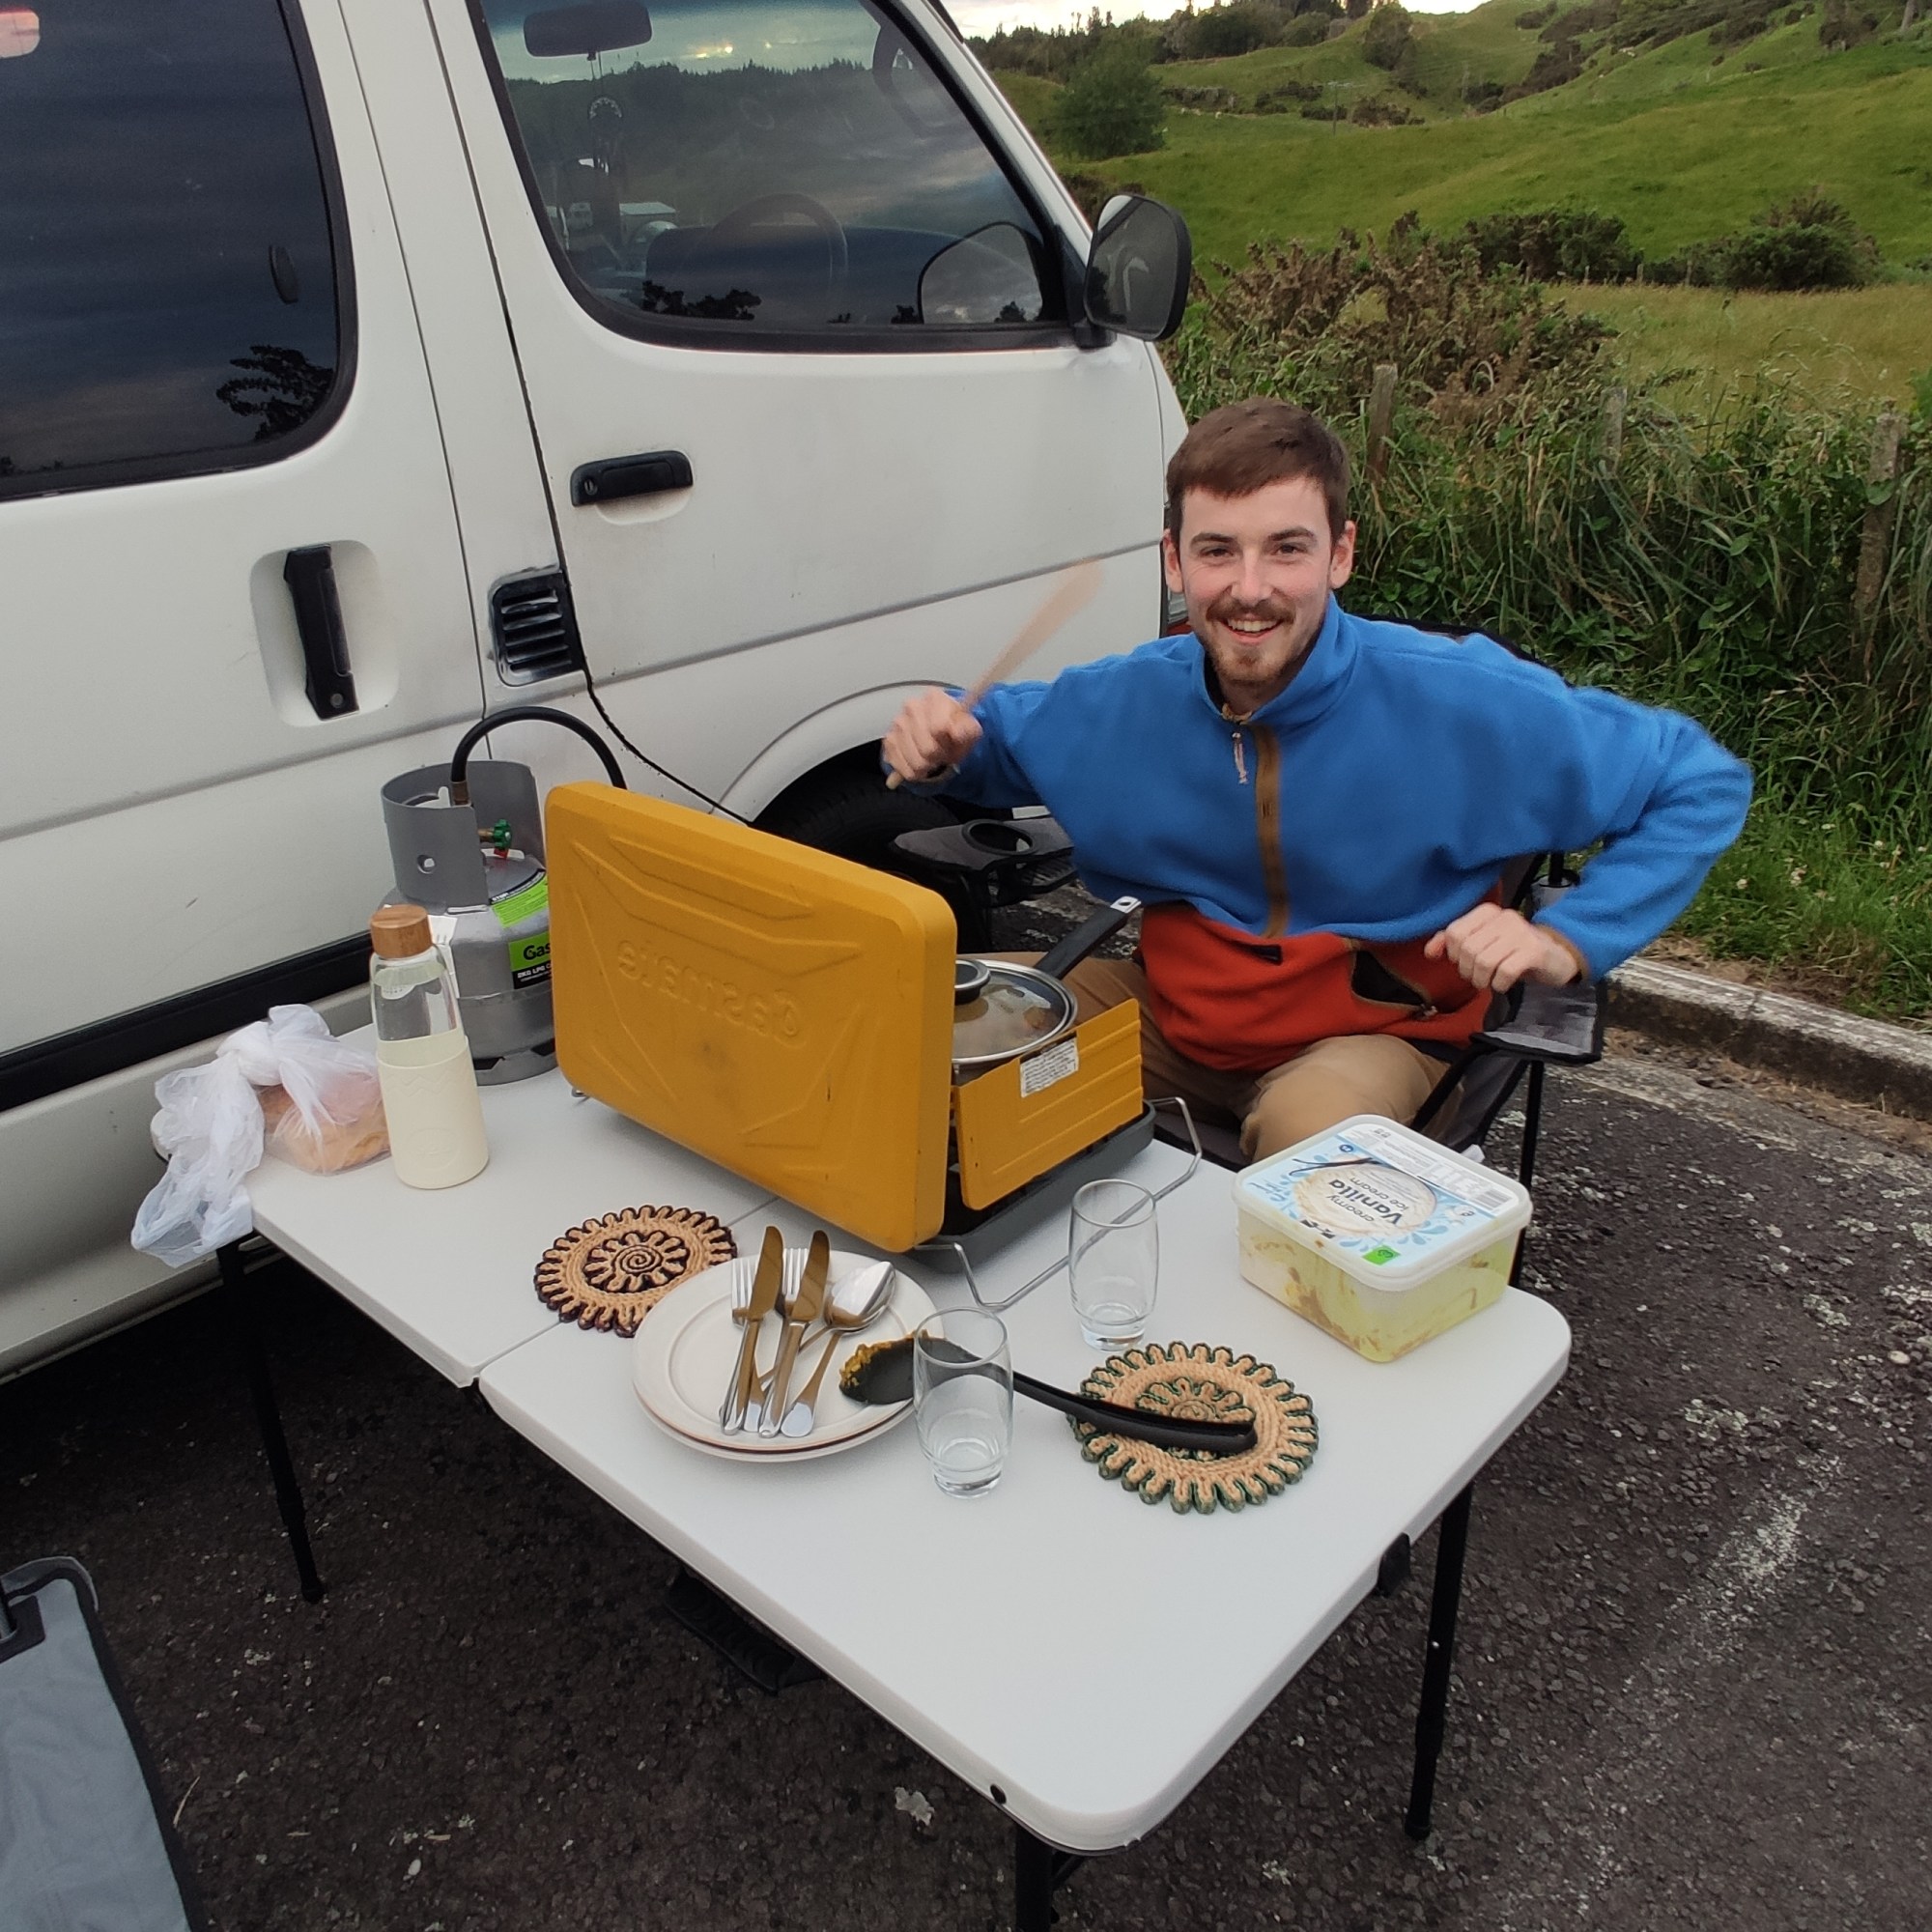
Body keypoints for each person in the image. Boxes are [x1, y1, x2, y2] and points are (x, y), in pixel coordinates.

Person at [883, 397, 1751, 1158]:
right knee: (904, 1018)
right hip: (1172, 1021)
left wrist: (1569, 939)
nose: (1249, 588)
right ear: (1175, 562)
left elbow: (1698, 781)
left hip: (1370, 1038)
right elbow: (991, 739)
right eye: (1218, 551)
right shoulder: (1124, 699)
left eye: (1285, 549)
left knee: (1310, 1142)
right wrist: (938, 743)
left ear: (1340, 554)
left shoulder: (1461, 697)